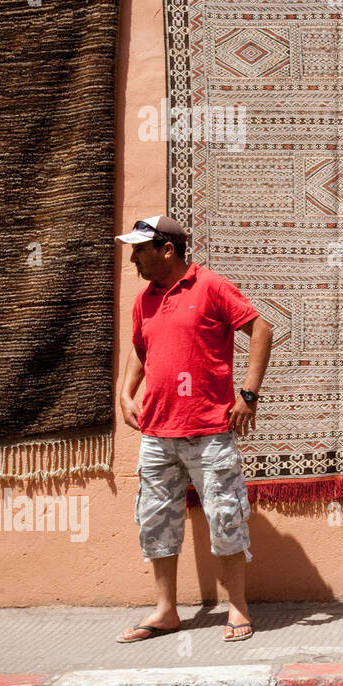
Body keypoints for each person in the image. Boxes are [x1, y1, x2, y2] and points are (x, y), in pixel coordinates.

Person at [113, 215, 272, 644]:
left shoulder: (210, 286)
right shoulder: (145, 299)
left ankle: (237, 607)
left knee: (225, 516)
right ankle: (166, 611)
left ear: (168, 249)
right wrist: (126, 393)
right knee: (155, 519)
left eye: (140, 250)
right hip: (157, 431)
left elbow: (261, 328)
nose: (134, 258)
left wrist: (248, 395)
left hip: (208, 431)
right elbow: (141, 350)